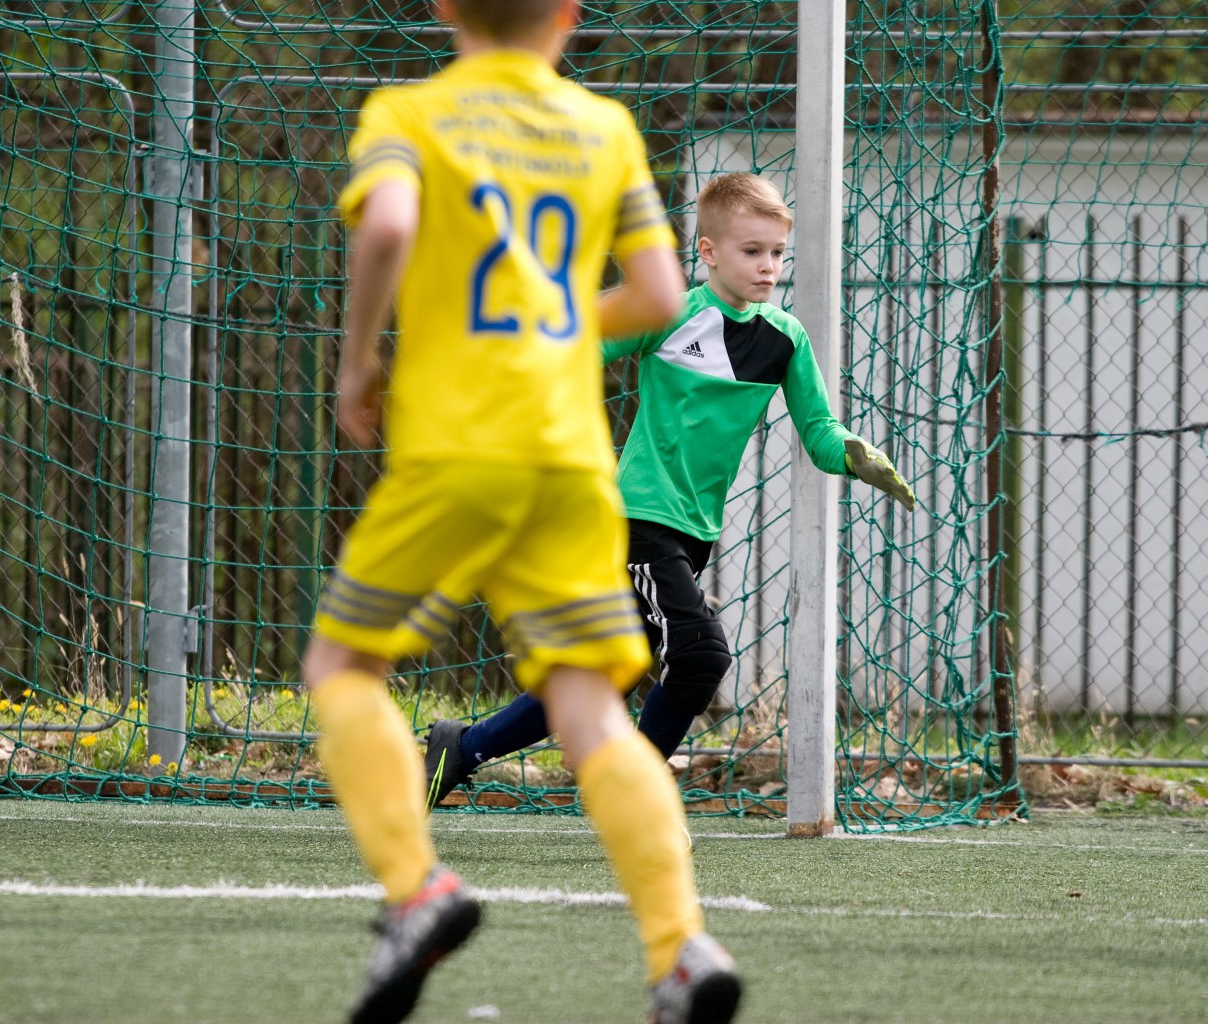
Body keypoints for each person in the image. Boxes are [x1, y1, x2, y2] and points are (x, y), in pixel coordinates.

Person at [303, 2, 742, 1022]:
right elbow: (660, 291)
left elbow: (389, 226)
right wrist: (554, 322)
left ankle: (416, 889)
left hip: (456, 448)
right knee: (591, 710)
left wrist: (359, 359)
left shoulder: (409, 114)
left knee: (342, 664)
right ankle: (680, 948)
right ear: (570, 15)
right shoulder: (603, 129)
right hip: (568, 459)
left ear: (444, 6)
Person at [425, 171, 915, 805]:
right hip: (637, 518)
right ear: (708, 251)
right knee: (702, 657)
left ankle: (460, 749)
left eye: (777, 252)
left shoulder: (785, 339)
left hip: (692, 532)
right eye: (752, 251)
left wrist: (854, 454)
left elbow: (818, 431)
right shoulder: (669, 313)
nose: (768, 266)